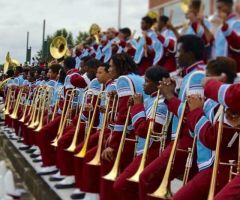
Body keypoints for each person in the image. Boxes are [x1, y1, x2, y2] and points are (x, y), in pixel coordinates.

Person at [139, 34, 205, 200]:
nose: (176, 55)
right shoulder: (191, 75)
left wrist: (169, 96)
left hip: (187, 141)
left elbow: (192, 114)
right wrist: (173, 94)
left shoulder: (196, 76)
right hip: (185, 140)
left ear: (190, 53)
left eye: (179, 51)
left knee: (147, 178)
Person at [172, 56, 238, 200]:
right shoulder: (210, 102)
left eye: (208, 76)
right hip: (206, 164)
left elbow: (213, 139)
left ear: (222, 77)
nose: (203, 81)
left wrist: (196, 112)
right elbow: (192, 130)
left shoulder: (229, 106)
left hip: (219, 168)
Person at [113, 66, 170, 200]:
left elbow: (147, 131)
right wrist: (135, 106)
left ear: (158, 84)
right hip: (143, 150)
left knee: (121, 186)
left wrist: (137, 106)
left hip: (151, 152)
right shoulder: (150, 99)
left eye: (147, 81)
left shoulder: (162, 104)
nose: (144, 84)